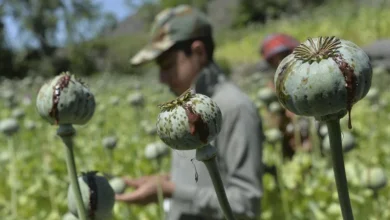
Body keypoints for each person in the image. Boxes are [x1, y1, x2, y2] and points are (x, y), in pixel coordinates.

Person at [115, 5, 265, 220]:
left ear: (199, 52)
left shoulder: (234, 108)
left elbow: (246, 204)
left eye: (167, 66)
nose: (161, 78)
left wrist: (172, 191)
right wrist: (162, 181)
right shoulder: (187, 110)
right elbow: (203, 177)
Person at [259, 33, 312, 158]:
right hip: (289, 140)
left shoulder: (308, 79)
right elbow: (272, 124)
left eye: (283, 57)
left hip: (310, 134)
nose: (280, 63)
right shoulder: (271, 88)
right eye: (274, 60)